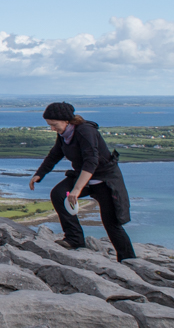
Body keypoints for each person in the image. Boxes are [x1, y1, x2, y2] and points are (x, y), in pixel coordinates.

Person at [29, 102, 136, 261]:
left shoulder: (85, 131)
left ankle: (128, 259)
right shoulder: (64, 133)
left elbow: (91, 161)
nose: (52, 129)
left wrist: (76, 190)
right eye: (49, 125)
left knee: (111, 223)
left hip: (104, 181)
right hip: (82, 177)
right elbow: (55, 154)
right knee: (59, 194)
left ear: (66, 121)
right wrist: (39, 174)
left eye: (54, 125)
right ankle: (74, 239)